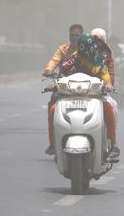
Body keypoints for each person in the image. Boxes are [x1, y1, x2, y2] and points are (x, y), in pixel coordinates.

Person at [48, 34, 120, 158]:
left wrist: (108, 84)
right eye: (86, 57)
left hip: (94, 96)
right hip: (71, 98)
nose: (89, 61)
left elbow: (105, 76)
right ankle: (54, 144)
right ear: (80, 52)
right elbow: (61, 76)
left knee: (108, 107)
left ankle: (114, 144)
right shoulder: (70, 62)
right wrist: (55, 84)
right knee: (53, 109)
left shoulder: (98, 61)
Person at [43, 24, 83, 155]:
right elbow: (54, 61)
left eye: (77, 36)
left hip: (84, 88)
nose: (75, 38)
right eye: (72, 35)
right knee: (53, 104)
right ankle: (53, 143)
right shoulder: (63, 49)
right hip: (63, 86)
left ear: (82, 36)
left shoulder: (87, 51)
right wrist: (49, 70)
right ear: (69, 36)